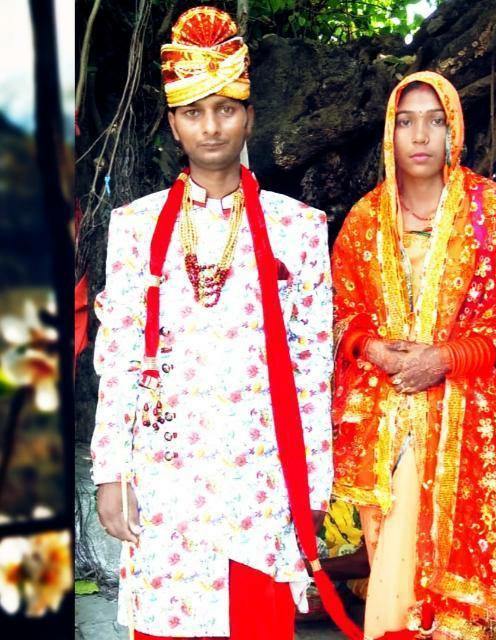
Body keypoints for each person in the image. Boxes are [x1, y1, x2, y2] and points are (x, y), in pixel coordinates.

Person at [90, 6, 360, 640]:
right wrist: (110, 473)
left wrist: (313, 487)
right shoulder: (134, 227)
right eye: (193, 112)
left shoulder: (298, 228)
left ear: (250, 117)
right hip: (165, 477)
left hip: (259, 481)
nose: (211, 127)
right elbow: (119, 358)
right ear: (173, 125)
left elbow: (313, 368)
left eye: (225, 109)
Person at [331, 71, 496, 640]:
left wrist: (446, 359)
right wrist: (372, 348)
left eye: (434, 121)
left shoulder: (489, 210)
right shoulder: (365, 219)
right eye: (406, 122)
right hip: (384, 402)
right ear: (390, 132)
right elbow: (336, 313)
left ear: (453, 130)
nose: (420, 136)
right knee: (393, 537)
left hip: (467, 400)